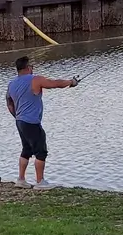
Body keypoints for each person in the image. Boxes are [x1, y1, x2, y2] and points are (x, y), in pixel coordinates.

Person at [5, 55, 79, 187]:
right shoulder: (35, 80)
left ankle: (21, 180)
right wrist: (70, 82)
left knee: (26, 149)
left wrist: (17, 116)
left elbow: (9, 104)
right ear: (28, 67)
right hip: (31, 122)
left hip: (20, 122)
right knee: (41, 151)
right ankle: (40, 182)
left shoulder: (11, 84)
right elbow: (54, 84)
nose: (33, 68)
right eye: (32, 66)